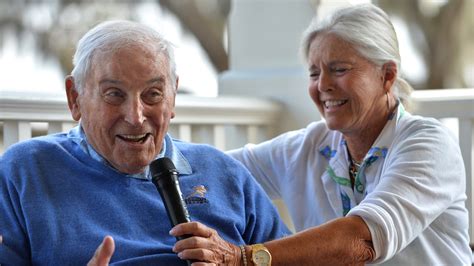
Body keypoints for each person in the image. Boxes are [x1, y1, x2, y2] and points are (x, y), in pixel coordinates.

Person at [170, 3, 472, 265]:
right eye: (314, 73)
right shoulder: (309, 146)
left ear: (387, 76)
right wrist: (145, 147)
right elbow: (214, 170)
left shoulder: (427, 143)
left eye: (339, 70)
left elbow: (362, 241)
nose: (323, 85)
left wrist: (242, 259)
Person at [0, 20, 290, 265]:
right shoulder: (26, 170)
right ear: (75, 98)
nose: (136, 117)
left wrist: (239, 257)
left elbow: (291, 256)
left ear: (173, 96)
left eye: (153, 94)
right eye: (114, 94)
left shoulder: (224, 172)